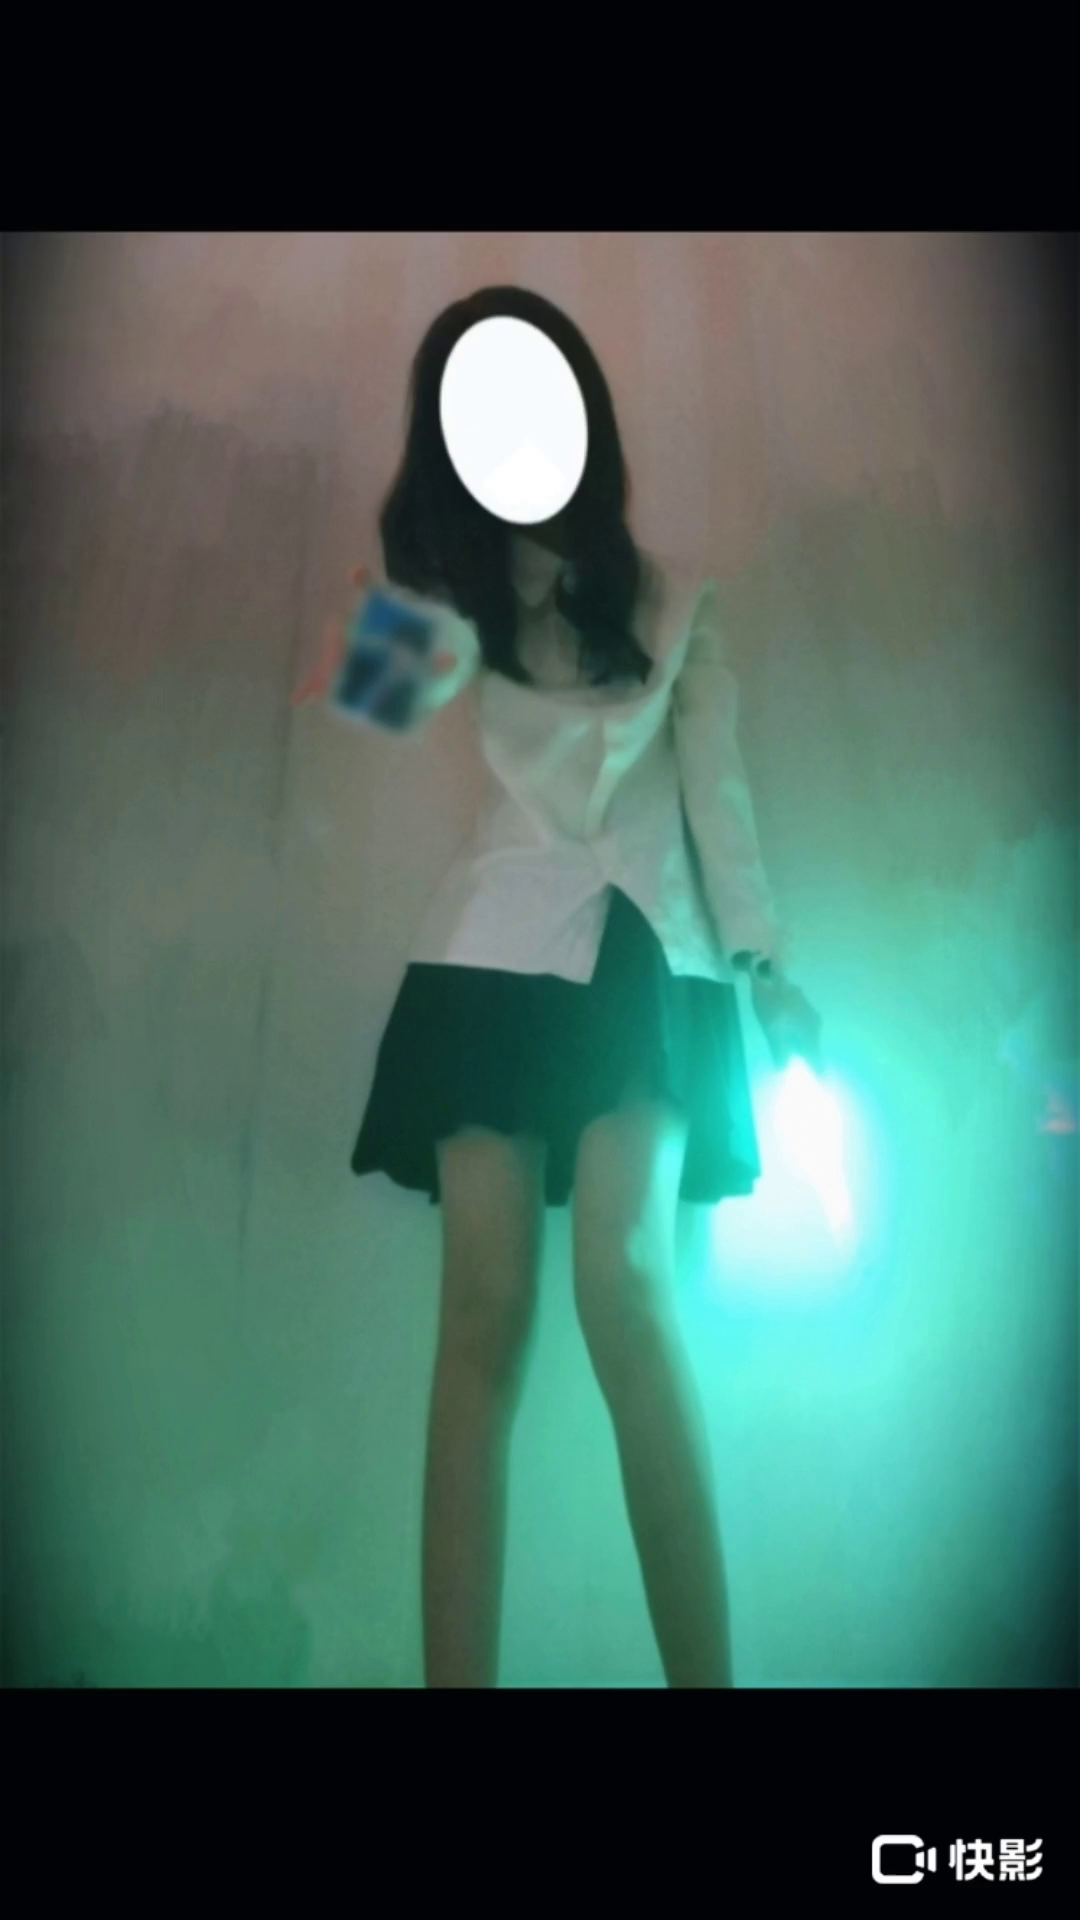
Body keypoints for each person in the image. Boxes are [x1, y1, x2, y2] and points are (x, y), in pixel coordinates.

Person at [303, 285, 823, 1687]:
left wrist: (768, 968)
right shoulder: (456, 611)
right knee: (481, 1314)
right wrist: (403, 598)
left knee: (625, 1286)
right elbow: (367, 699)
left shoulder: (677, 599)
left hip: (647, 959)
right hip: (489, 951)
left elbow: (717, 801)